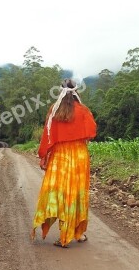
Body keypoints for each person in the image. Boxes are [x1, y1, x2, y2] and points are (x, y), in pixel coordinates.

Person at [31, 79, 97, 248]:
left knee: (60, 196)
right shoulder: (84, 111)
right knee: (76, 195)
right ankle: (78, 233)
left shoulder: (55, 111)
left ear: (60, 92)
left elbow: (47, 136)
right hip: (80, 157)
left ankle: (64, 235)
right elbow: (91, 133)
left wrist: (43, 155)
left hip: (60, 157)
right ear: (76, 93)